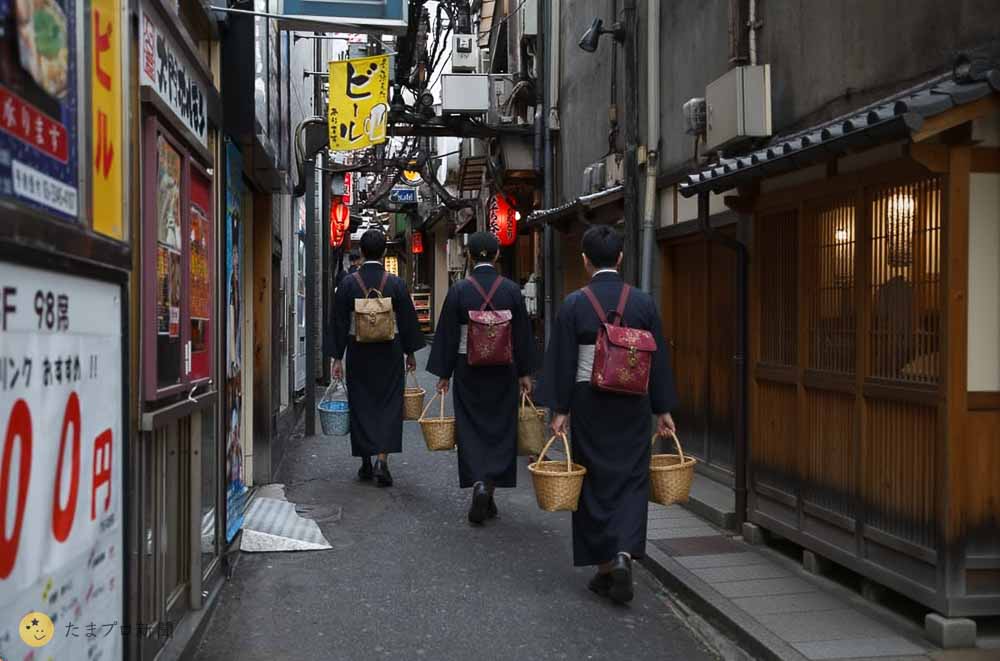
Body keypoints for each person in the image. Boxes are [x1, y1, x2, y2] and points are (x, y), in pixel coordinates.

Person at [539, 225, 678, 604]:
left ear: (585, 260)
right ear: (620, 258)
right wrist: (662, 409)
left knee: (594, 479)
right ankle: (623, 553)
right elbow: (659, 360)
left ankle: (604, 565)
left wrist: (560, 410)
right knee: (632, 478)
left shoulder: (575, 304)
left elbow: (563, 362)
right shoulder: (643, 303)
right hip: (633, 402)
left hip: (589, 400)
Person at [427, 232, 536, 524]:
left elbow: (448, 334)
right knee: (500, 428)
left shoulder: (460, 290)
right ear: (497, 255)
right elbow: (522, 334)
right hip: (504, 368)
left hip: (468, 366)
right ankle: (490, 489)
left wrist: (444, 374)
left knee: (471, 427)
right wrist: (525, 372)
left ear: (471, 257)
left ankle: (477, 483)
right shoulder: (511, 290)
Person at [332, 229, 424, 486]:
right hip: (390, 349)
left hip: (358, 349)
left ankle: (365, 459)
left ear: (361, 252)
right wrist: (410, 352)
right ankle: (382, 460)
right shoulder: (395, 283)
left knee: (362, 403)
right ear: (384, 252)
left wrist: (337, 357)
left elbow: (339, 322)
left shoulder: (349, 283)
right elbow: (407, 321)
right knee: (389, 404)